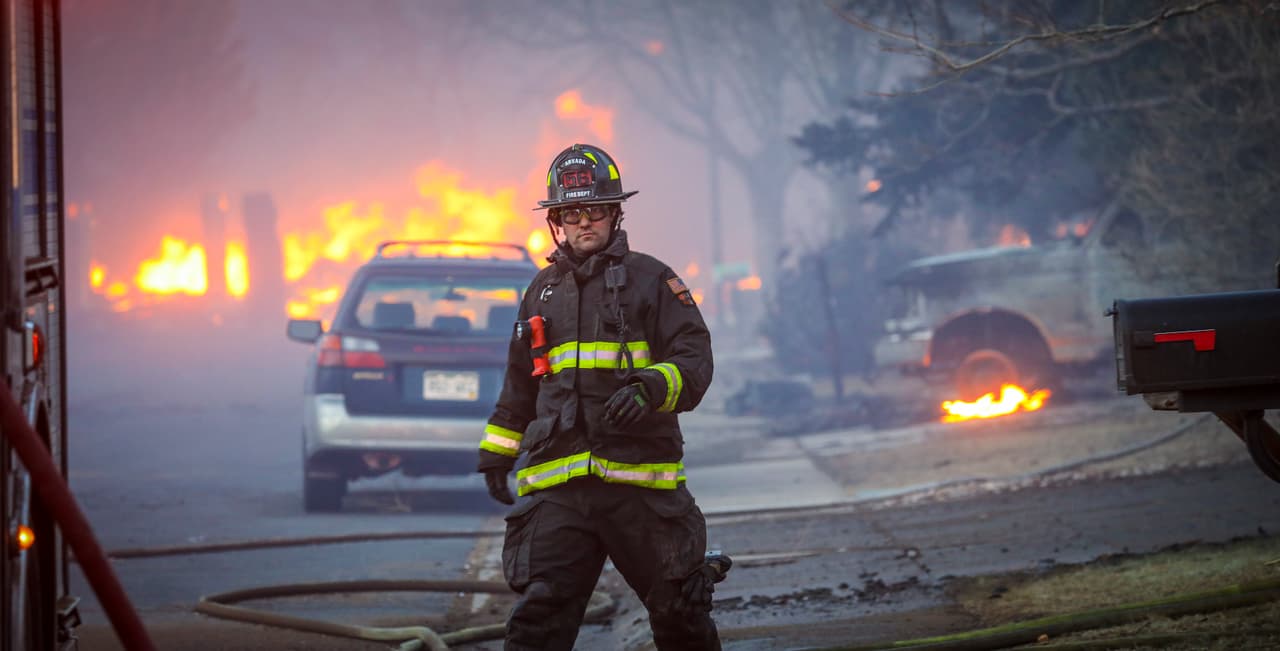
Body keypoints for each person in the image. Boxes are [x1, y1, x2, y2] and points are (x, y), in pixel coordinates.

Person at [477, 143, 724, 650]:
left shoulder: (653, 280)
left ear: (614, 213)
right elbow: (521, 383)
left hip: (641, 487)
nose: (584, 222)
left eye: (595, 211)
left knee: (680, 613)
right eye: (572, 213)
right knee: (537, 621)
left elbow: (694, 358)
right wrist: (497, 452)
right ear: (557, 222)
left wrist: (653, 387)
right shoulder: (540, 291)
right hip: (560, 487)